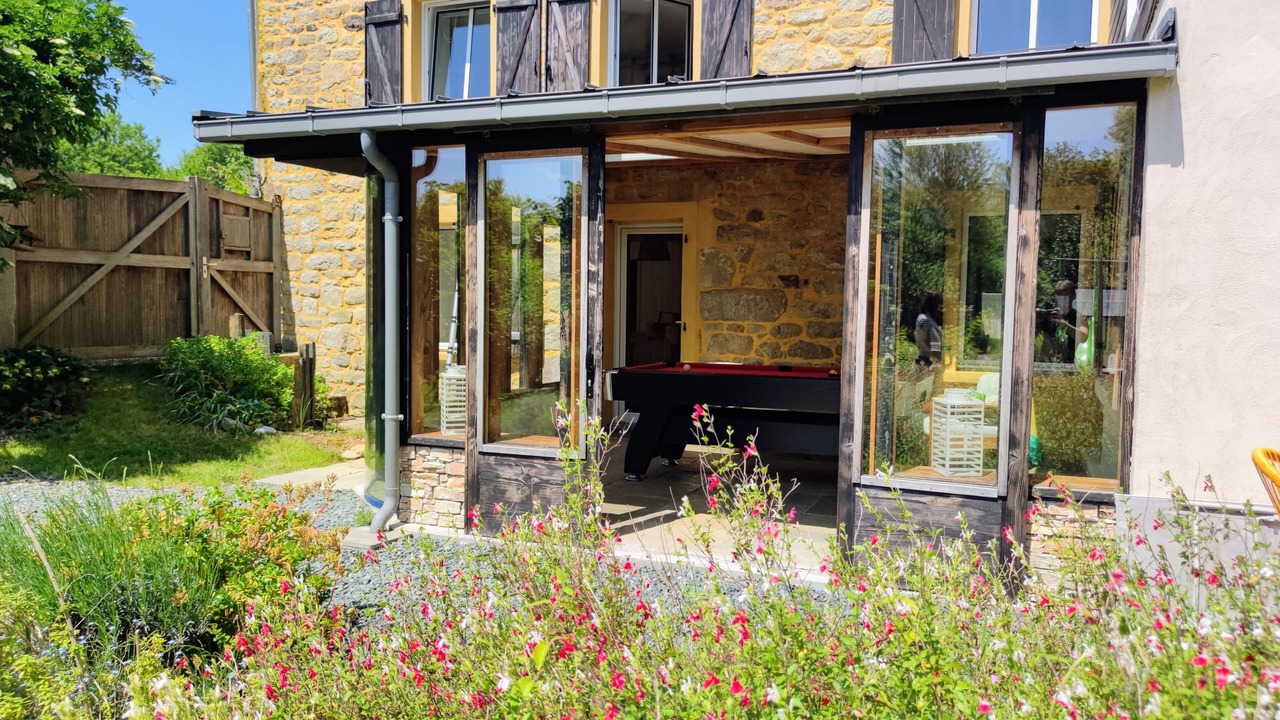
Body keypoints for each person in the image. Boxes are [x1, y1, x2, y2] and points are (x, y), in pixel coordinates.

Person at [1036, 279, 1089, 363]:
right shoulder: (1049, 314)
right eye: (1058, 296)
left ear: (1073, 296)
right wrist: (1033, 318)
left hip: (1067, 366)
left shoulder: (1079, 317)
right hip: (1044, 364)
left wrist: (1065, 324)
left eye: (1065, 296)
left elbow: (1083, 337)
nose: (1061, 300)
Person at [914, 291, 943, 368]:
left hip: (933, 363)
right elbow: (920, 342)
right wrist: (933, 360)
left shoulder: (931, 320)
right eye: (938, 303)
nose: (940, 307)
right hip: (926, 362)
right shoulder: (924, 319)